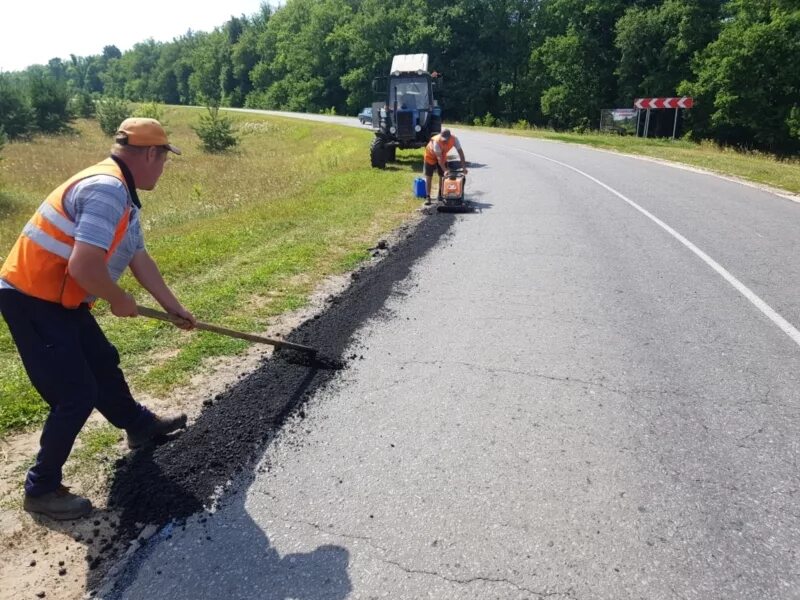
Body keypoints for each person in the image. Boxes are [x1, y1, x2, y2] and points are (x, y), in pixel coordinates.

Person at [0, 118, 197, 521]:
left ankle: (138, 426)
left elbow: (139, 257)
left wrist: (172, 305)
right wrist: (118, 298)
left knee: (102, 361)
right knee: (76, 393)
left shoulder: (122, 194)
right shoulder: (107, 190)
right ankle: (41, 489)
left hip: (60, 299)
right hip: (31, 298)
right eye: (163, 159)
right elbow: (84, 268)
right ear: (149, 153)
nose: (162, 168)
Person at [423, 128, 467, 204]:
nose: (444, 141)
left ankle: (440, 194)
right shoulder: (436, 141)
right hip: (430, 157)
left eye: (446, 139)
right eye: (443, 139)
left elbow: (461, 153)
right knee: (429, 176)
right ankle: (428, 197)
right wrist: (446, 170)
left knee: (442, 176)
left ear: (449, 137)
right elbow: (439, 159)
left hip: (442, 155)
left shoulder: (454, 139)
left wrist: (464, 167)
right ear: (441, 135)